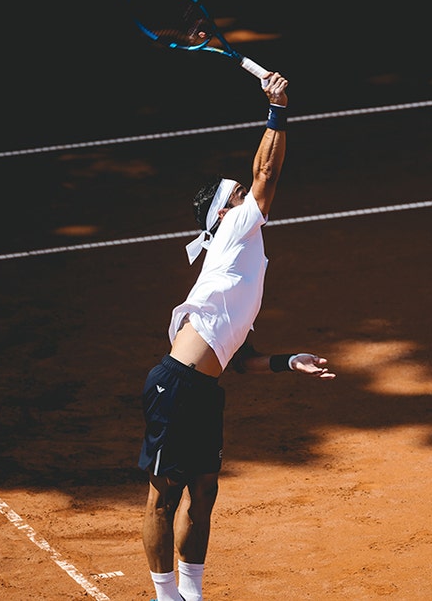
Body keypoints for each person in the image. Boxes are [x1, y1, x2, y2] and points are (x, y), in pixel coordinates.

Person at [138, 71, 335, 601]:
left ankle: (191, 593)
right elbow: (267, 170)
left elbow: (238, 357)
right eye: (239, 195)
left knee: (204, 491)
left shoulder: (238, 259)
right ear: (223, 213)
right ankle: (164, 596)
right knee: (163, 497)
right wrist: (278, 108)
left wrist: (287, 360)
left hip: (202, 390)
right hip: (175, 385)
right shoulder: (233, 230)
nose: (251, 196)